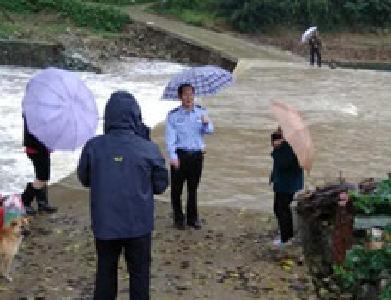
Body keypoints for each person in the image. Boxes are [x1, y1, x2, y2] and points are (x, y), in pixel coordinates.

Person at [77, 91, 168, 300]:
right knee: (139, 274)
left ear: (108, 116)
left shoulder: (93, 146)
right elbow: (161, 185)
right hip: (138, 224)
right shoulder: (148, 148)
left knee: (105, 272)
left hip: (105, 223)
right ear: (136, 116)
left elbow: (85, 179)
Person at [165, 84, 214, 230]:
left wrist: (206, 123)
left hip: (197, 156)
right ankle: (178, 218)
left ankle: (193, 218)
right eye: (185, 95)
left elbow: (210, 130)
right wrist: (173, 156)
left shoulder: (201, 112)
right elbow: (170, 138)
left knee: (193, 189)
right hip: (180, 155)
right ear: (180, 97)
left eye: (191, 94)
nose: (189, 97)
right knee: (176, 189)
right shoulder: (173, 115)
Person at [270, 128, 303, 247]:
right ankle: (285, 232)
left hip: (287, 183)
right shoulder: (286, 142)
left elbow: (284, 163)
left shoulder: (291, 146)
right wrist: (277, 143)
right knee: (279, 208)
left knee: (281, 209)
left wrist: (276, 149)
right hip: (284, 182)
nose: (279, 130)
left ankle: (286, 238)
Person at [21, 115, 57, 215]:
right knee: (42, 178)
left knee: (44, 177)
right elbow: (35, 134)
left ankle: (42, 203)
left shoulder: (37, 110)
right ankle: (24, 202)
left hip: (39, 149)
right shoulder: (34, 112)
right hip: (36, 149)